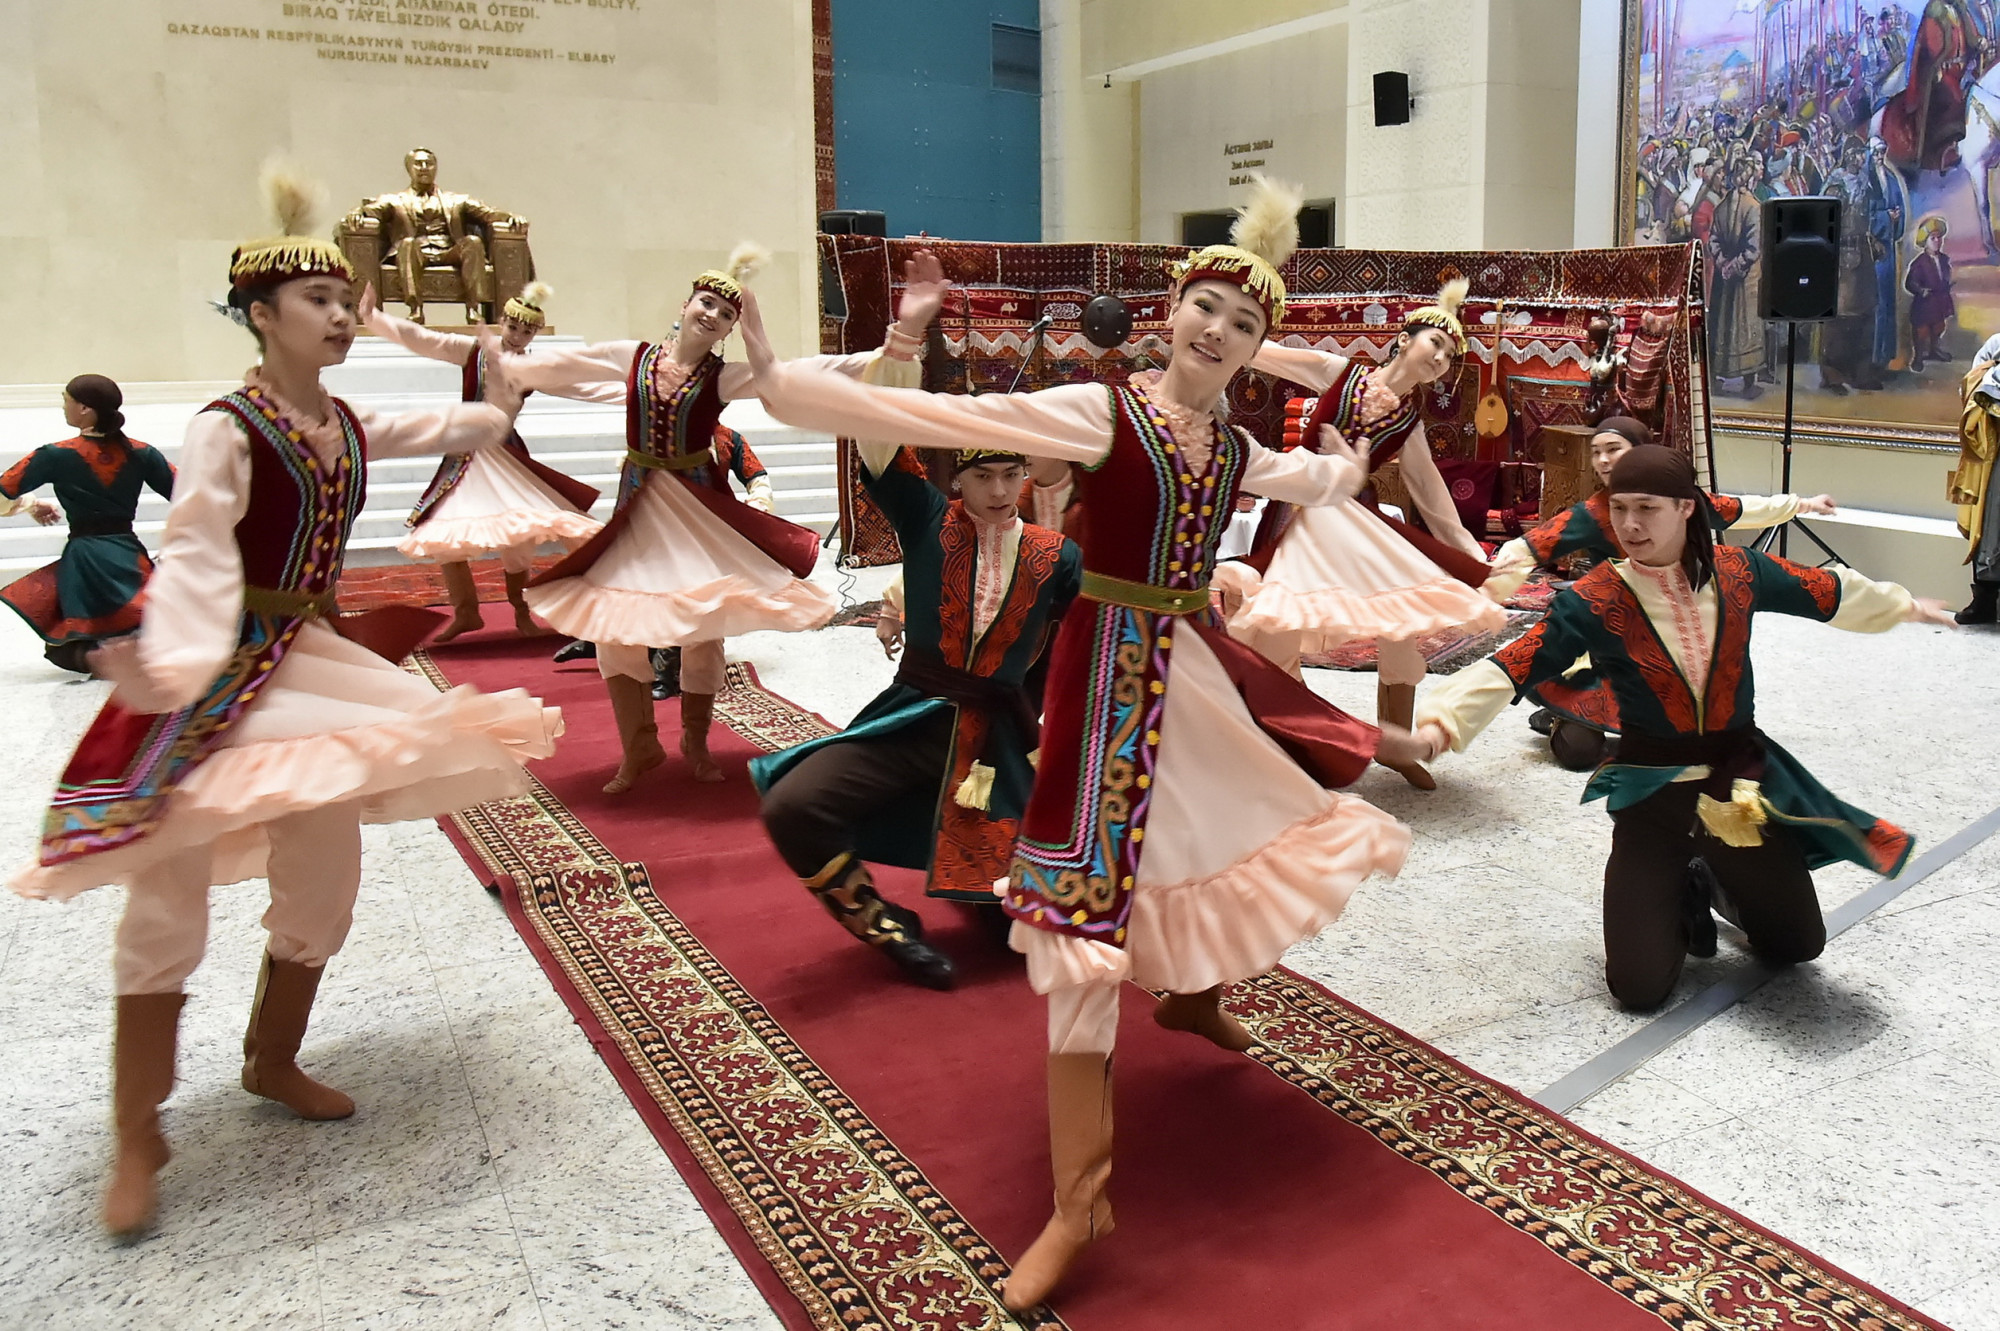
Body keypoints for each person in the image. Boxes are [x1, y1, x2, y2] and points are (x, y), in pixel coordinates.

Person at [745, 177, 1422, 1312]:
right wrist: (784, 382)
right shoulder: (1102, 414)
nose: (1218, 330)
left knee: (1231, 834)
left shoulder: (1232, 442)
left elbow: (1299, 475)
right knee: (1080, 916)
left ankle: (1191, 995)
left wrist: (1346, 464)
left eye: (1244, 321)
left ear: (1256, 345)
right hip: (1106, 687)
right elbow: (963, 418)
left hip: (1193, 678)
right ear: (1173, 311)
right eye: (1206, 306)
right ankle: (1081, 1200)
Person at [8, 167, 562, 1238]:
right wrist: (166, 665)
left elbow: (445, 429)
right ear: (261, 314)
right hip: (212, 669)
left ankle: (271, 1056)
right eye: (319, 300)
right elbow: (196, 552)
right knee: (167, 888)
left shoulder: (339, 419)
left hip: (306, 659)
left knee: (324, 871)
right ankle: (137, 1129)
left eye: (347, 299)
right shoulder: (226, 427)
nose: (342, 314)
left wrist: (500, 391)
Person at [1416, 445, 1950, 1010]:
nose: (1629, 524)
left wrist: (1903, 605)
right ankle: (1682, 887)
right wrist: (1442, 723)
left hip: (1737, 789)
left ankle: (1710, 875)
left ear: (1686, 507)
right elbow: (1519, 660)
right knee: (1638, 989)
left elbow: (1822, 589)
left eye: (1646, 508)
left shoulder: (1739, 571)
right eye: (1619, 508)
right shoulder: (1595, 598)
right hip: (1651, 798)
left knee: (1797, 946)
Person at [509, 245, 921, 789]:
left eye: (726, 314)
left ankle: (695, 741)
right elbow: (569, 368)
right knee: (615, 627)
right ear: (685, 304)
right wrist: (508, 358)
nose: (712, 315)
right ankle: (639, 747)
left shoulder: (722, 378)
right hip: (637, 511)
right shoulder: (634, 358)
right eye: (706, 303)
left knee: (702, 628)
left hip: (695, 514)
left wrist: (888, 349)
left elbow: (796, 373)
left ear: (730, 329)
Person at [752, 426, 1082, 991]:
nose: (998, 491)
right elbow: (878, 446)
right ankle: (885, 928)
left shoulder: (1058, 555)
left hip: (997, 747)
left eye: (1011, 475)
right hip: (915, 719)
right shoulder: (929, 519)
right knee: (792, 807)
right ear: (958, 479)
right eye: (982, 476)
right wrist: (892, 373)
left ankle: (980, 894)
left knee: (1016, 939)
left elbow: (1079, 646)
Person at [1213, 280, 1505, 790]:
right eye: (1436, 343)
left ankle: (1397, 744)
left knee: (1401, 620)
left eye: (1450, 356)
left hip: (1355, 522)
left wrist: (1470, 553)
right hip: (1298, 516)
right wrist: (1223, 334)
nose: (1441, 358)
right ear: (1404, 339)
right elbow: (1263, 352)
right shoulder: (1340, 373)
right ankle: (1288, 739)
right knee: (1277, 625)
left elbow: (1432, 495)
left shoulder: (1409, 424)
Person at [1484, 417, 1836, 769]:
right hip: (1617, 645)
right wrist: (1486, 583)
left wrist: (1803, 504)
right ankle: (1566, 716)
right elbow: (1533, 544)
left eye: (1613, 449)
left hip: (1678, 638)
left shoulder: (1680, 501)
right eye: (1596, 452)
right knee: (1578, 753)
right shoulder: (1594, 513)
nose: (1603, 460)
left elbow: (1741, 509)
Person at [363, 281, 602, 641]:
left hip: (505, 455)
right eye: (512, 327)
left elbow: (582, 386)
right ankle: (466, 612)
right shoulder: (472, 351)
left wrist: (635, 387)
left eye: (525, 332)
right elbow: (423, 339)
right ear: (501, 322)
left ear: (534, 334)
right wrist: (373, 318)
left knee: (519, 532)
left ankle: (520, 610)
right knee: (444, 531)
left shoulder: (534, 367)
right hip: (466, 454)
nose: (516, 336)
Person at [0, 376, 176, 673]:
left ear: (84, 409)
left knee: (78, 641)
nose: (63, 407)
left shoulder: (55, 455)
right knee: (142, 617)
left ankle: (108, 656)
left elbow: (3, 490)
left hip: (84, 559)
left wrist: (30, 505)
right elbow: (189, 493)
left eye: (66, 400)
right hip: (127, 553)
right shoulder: (142, 452)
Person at [1950, 332, 2000, 621]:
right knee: (1989, 522)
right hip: (1995, 448)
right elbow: (1973, 383)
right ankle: (1984, 600)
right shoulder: (1996, 344)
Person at [1906, 215, 1956, 370]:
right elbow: (1910, 283)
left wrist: (1947, 286)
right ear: (1925, 241)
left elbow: (1945, 276)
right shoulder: (1919, 263)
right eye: (1933, 238)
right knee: (1922, 331)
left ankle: (1934, 350)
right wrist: (1921, 290)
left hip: (1939, 301)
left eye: (1939, 237)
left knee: (1938, 327)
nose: (1937, 241)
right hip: (1924, 304)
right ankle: (1918, 357)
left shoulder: (1944, 260)